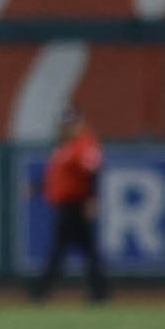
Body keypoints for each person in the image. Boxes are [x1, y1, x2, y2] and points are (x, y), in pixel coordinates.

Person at [33, 115, 111, 301]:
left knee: (66, 250)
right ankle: (98, 292)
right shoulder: (65, 147)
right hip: (65, 206)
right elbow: (56, 177)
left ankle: (41, 291)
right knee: (79, 251)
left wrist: (91, 200)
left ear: (78, 125)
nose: (65, 128)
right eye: (64, 125)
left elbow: (92, 174)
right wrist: (35, 187)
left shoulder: (85, 145)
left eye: (69, 125)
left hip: (77, 205)